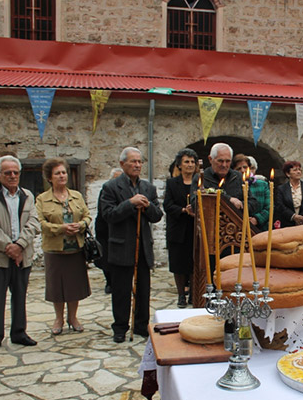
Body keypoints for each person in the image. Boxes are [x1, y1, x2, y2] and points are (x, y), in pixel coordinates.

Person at [0, 155, 40, 354]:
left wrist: (20, 245)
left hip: (22, 255)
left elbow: (34, 223)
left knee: (20, 295)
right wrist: (9, 247)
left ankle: (19, 332)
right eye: (7, 173)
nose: (12, 176)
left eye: (16, 172)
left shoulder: (28, 196)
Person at [99, 147, 163, 343]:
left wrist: (147, 206)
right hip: (121, 246)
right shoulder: (110, 187)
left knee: (143, 289)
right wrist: (130, 203)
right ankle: (120, 327)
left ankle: (141, 324)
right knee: (121, 290)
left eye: (139, 162)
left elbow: (157, 215)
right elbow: (108, 215)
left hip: (142, 246)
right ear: (122, 164)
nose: (137, 165)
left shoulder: (148, 188)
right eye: (133, 162)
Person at [35, 158, 92, 335]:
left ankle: (73, 317)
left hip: (76, 247)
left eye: (64, 172)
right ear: (49, 178)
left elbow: (87, 215)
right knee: (57, 287)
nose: (62, 176)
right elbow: (41, 223)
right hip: (55, 249)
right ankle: (58, 318)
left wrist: (81, 225)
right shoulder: (42, 199)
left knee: (74, 285)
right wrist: (61, 229)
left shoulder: (76, 196)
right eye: (57, 173)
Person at [164, 148, 197, 308]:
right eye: (186, 162)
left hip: (194, 228)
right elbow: (168, 205)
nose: (190, 165)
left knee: (193, 261)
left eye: (192, 162)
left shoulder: (200, 182)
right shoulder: (172, 183)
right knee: (178, 263)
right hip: (178, 228)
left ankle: (192, 293)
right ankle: (181, 295)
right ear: (180, 164)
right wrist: (184, 210)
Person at [190, 143, 255, 213]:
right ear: (210, 159)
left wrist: (240, 205)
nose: (224, 165)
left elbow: (252, 203)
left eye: (227, 161)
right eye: (220, 161)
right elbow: (195, 204)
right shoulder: (201, 178)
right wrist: (228, 199)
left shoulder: (238, 177)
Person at [94, 167, 123, 294]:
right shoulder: (106, 190)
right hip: (105, 228)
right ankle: (109, 281)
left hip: (121, 228)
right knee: (105, 257)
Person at [232, 153, 269, 229]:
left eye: (245, 167)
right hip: (238, 227)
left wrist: (257, 219)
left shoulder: (262, 185)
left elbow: (269, 207)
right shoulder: (231, 186)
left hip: (261, 228)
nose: (242, 170)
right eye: (239, 168)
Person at [275, 160, 303, 228]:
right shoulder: (282, 189)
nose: (298, 172)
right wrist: (293, 216)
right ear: (288, 174)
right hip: (288, 223)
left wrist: (301, 218)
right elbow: (280, 206)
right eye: (295, 170)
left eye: (299, 170)